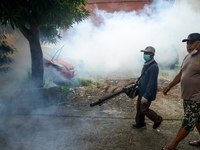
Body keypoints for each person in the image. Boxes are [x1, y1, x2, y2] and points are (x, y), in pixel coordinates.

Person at [162, 33, 200, 150]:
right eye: (187, 43)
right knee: (197, 119)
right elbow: (181, 74)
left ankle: (173, 144)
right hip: (187, 96)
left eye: (192, 43)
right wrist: (170, 86)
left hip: (197, 97)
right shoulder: (188, 57)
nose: (188, 46)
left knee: (188, 121)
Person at [133, 46, 163, 129]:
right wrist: (139, 81)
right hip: (142, 90)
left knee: (144, 109)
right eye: (144, 53)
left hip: (147, 92)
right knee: (139, 108)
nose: (145, 55)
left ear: (152, 55)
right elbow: (145, 76)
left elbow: (152, 82)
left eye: (147, 53)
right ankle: (140, 123)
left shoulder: (154, 66)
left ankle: (158, 119)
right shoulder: (147, 64)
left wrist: (146, 95)